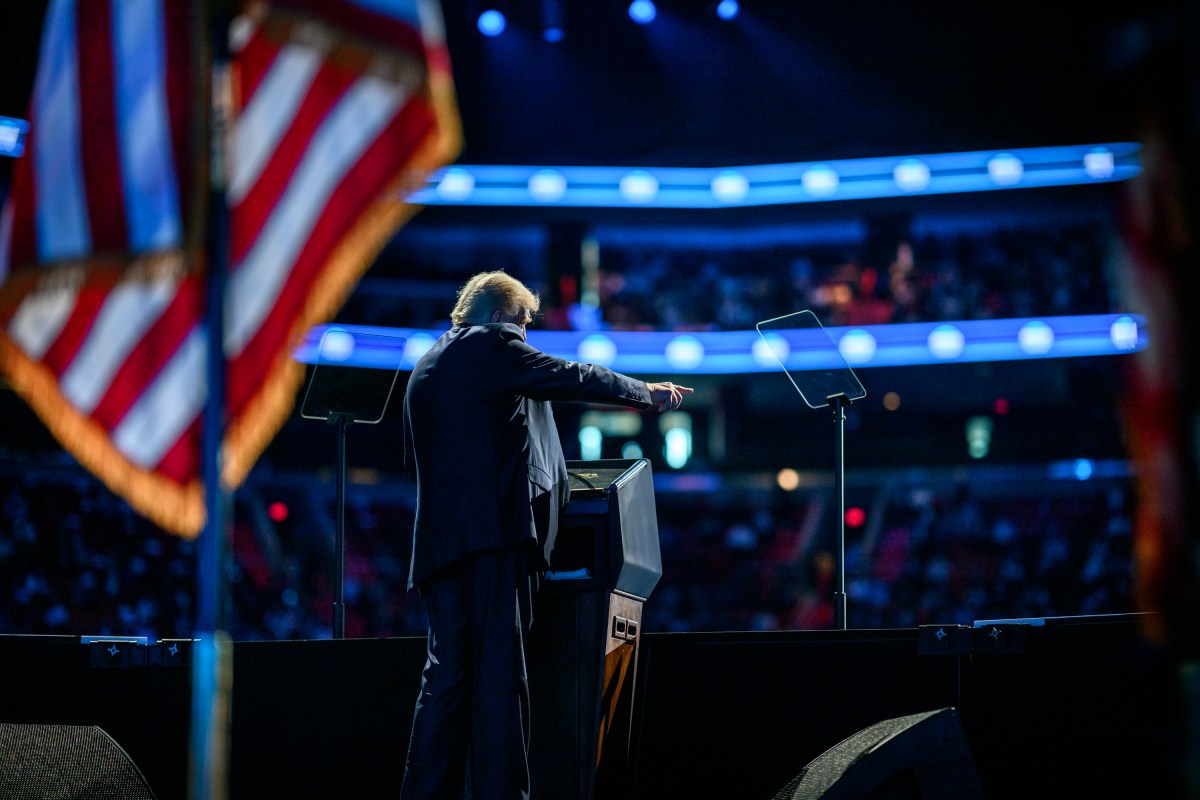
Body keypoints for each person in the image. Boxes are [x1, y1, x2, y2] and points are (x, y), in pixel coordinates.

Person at [399, 271, 692, 800]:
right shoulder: (492, 346)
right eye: (523, 324)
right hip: (492, 541)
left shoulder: (429, 363)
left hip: (440, 549)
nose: (526, 338)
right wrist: (646, 394)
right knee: (499, 681)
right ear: (496, 316)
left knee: (445, 684)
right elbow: (574, 376)